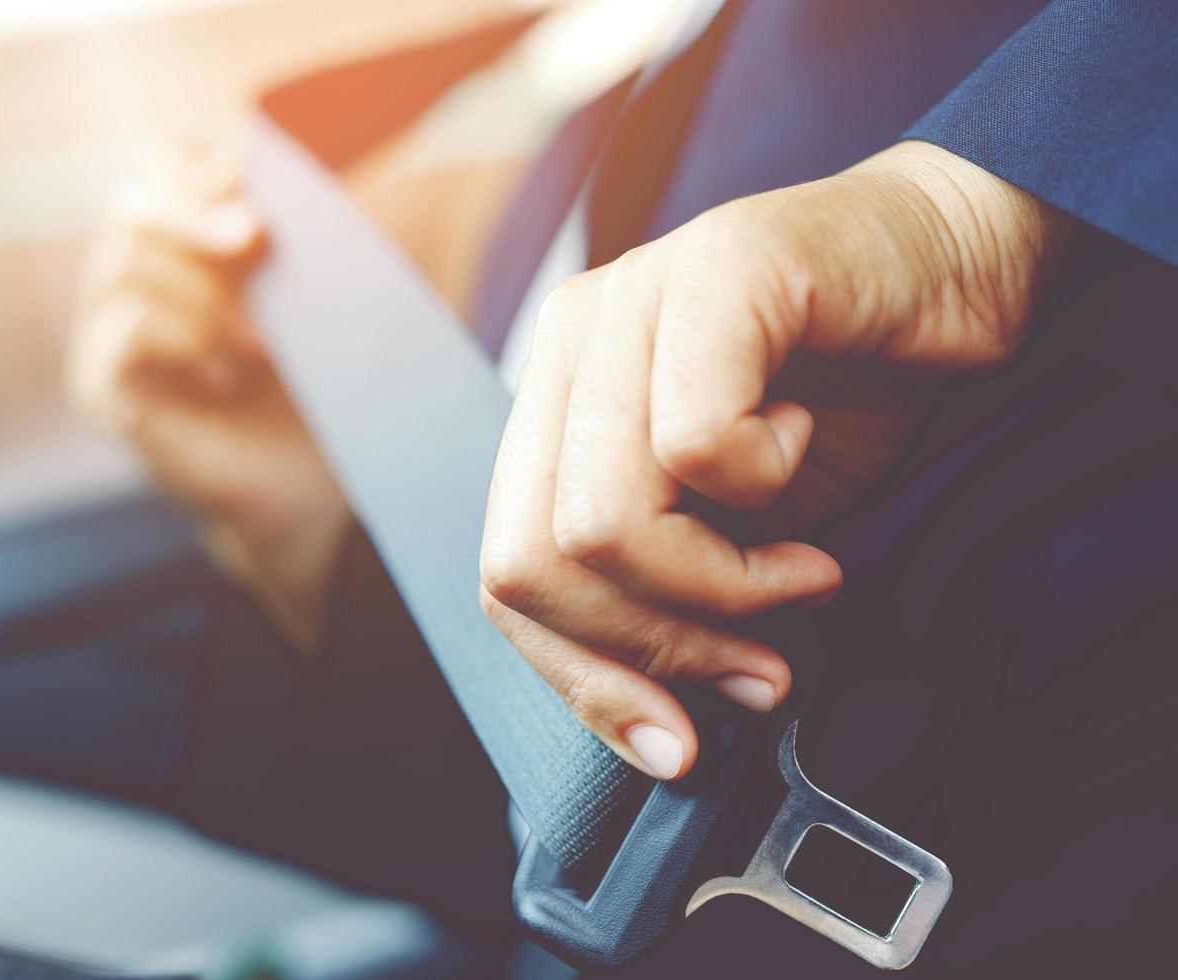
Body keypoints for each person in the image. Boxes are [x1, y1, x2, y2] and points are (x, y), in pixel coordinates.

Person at [71, 0, 1177, 974]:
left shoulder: (1043, 114)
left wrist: (978, 209)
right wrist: (302, 520)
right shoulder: (573, 161)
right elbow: (544, 849)